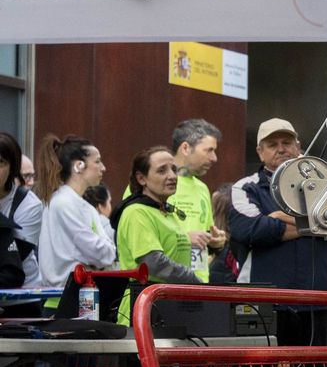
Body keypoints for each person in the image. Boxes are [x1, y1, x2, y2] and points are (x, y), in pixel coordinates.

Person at [230, 119, 327, 345]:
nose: (281, 148)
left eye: (287, 142)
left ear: (298, 147)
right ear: (260, 152)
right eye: (272, 144)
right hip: (261, 300)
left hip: (315, 302)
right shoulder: (246, 188)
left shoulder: (324, 186)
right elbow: (251, 230)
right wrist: (314, 223)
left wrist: (276, 217)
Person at [111, 147, 202, 322]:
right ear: (141, 178)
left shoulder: (165, 212)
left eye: (173, 169)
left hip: (169, 308)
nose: (172, 176)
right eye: (162, 170)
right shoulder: (136, 213)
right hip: (142, 311)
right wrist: (193, 281)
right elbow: (153, 263)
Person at [37, 135, 117, 288]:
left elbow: (106, 252)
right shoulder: (63, 203)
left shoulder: (83, 206)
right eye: (97, 161)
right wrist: (97, 258)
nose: (103, 168)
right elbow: (100, 252)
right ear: (79, 165)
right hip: (62, 298)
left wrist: (97, 258)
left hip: (81, 293)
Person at [169, 119, 225, 281]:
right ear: (185, 148)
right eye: (209, 150)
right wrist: (185, 238)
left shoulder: (202, 188)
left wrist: (216, 242)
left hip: (198, 282)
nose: (214, 158)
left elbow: (204, 234)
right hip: (164, 284)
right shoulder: (151, 184)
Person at [0, 132, 43, 287]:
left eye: (0, 162)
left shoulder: (29, 204)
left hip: (21, 297)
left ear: (12, 168)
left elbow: (11, 263)